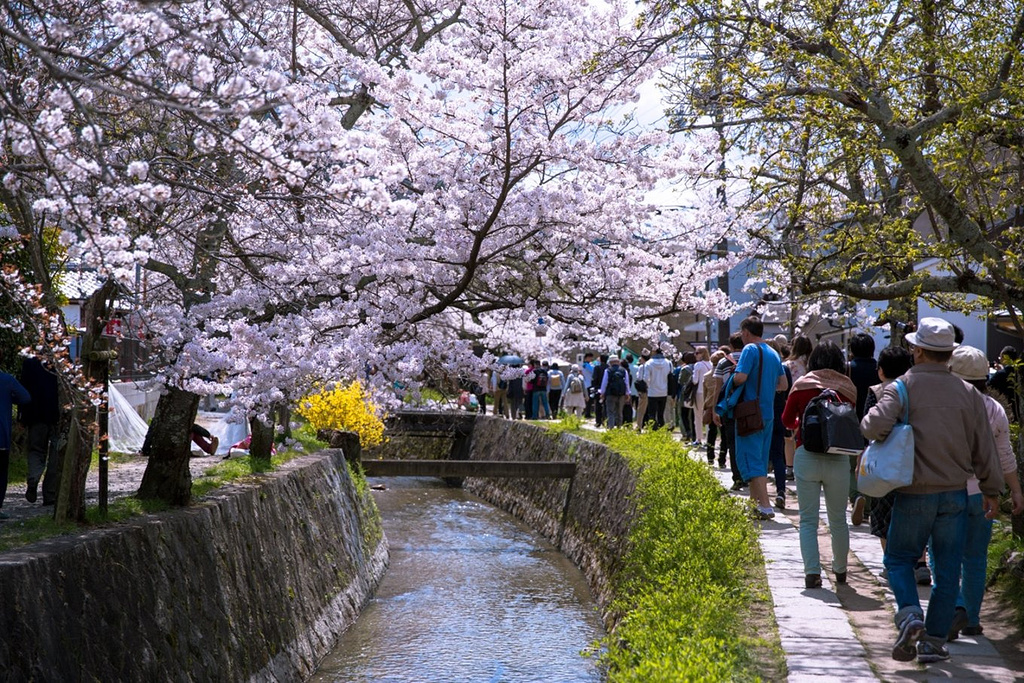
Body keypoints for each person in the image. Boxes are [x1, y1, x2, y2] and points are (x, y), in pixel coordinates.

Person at [862, 317, 1004, 665]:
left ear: (919, 351)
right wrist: (991, 489)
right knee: (948, 567)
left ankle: (910, 614)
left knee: (898, 558)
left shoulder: (903, 386)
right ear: (948, 354)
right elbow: (984, 446)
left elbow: (871, 427)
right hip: (956, 492)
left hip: (915, 491)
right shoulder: (969, 393)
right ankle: (934, 642)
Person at [946, 345, 1024, 641]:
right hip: (984, 493)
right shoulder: (995, 409)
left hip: (947, 491)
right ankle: (972, 619)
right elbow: (1004, 456)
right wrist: (1015, 490)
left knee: (943, 555)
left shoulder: (945, 406)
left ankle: (952, 609)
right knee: (975, 557)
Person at [782, 341, 857, 588]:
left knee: (808, 520)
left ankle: (812, 573)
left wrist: (800, 425)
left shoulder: (802, 384)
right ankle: (841, 570)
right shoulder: (848, 388)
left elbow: (786, 419)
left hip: (807, 456)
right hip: (838, 458)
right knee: (838, 520)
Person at [727, 316, 788, 519]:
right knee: (760, 459)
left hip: (750, 413)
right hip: (768, 412)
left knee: (750, 458)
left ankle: (765, 505)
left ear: (745, 332)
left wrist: (733, 378)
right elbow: (783, 385)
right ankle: (754, 505)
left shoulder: (749, 350)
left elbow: (741, 377)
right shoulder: (773, 352)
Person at [864, 346, 914, 558]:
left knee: (883, 511)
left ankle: (890, 559)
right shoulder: (915, 392)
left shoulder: (876, 392)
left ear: (881, 370)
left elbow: (868, 429)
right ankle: (917, 560)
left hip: (883, 462)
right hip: (912, 459)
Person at [18, 356, 61, 505]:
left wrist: (22, 416)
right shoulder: (60, 361)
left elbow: (23, 388)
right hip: (56, 415)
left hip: (34, 415)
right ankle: (50, 493)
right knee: (56, 453)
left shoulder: (29, 363)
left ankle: (33, 478)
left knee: (36, 450)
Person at [847, 332, 880, 522]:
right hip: (875, 421)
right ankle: (867, 504)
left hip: (851, 422)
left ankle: (855, 496)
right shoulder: (879, 368)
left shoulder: (848, 368)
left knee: (851, 467)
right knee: (870, 465)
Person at [1, 361, 32, 519]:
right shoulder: (7, 380)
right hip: (1, 435)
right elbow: (25, 397)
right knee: (1, 473)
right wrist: (8, 398)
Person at [784, 335, 813, 481]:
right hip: (812, 401)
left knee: (789, 438)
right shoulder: (813, 363)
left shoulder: (789, 364)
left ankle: (789, 468)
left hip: (792, 400)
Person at [987, 345, 1020, 422]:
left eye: (1000, 357)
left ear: (1005, 358)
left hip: (1006, 410)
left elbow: (988, 387)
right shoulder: (1019, 372)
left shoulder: (1000, 374)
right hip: (1019, 409)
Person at [644, 347, 673, 430]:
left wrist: (648, 386)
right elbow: (670, 376)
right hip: (664, 391)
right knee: (661, 413)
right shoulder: (668, 363)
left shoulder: (648, 363)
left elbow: (646, 378)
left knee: (652, 413)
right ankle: (661, 429)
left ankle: (653, 430)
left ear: (654, 352)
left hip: (652, 392)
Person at [691, 346, 714, 447]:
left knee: (698, 416)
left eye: (697, 353)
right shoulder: (711, 364)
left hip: (699, 393)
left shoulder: (698, 365)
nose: (695, 355)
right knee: (708, 415)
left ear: (702, 354)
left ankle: (698, 439)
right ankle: (709, 440)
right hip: (708, 393)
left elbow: (695, 380)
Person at [599, 356, 631, 428]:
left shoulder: (608, 370)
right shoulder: (624, 371)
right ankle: (619, 428)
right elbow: (627, 383)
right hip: (621, 394)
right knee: (619, 412)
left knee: (611, 412)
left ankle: (611, 427)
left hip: (610, 394)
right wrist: (627, 393)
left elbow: (604, 383)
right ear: (618, 362)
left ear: (610, 362)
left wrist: (602, 393)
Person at [633, 349, 651, 431]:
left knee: (641, 409)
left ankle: (639, 425)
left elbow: (640, 378)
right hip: (654, 390)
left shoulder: (642, 367)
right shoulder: (651, 365)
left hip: (644, 390)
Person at [591, 354, 609, 427]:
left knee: (598, 406)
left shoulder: (597, 367)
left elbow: (594, 378)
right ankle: (605, 420)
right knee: (606, 405)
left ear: (601, 359)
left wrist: (594, 386)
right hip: (607, 389)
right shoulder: (608, 368)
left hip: (598, 388)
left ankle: (598, 421)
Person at [581, 353, 596, 418]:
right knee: (589, 400)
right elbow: (593, 371)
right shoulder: (586, 365)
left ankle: (586, 412)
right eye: (590, 357)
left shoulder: (586, 364)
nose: (591, 359)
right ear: (586, 358)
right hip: (588, 384)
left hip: (587, 383)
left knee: (588, 400)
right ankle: (587, 413)